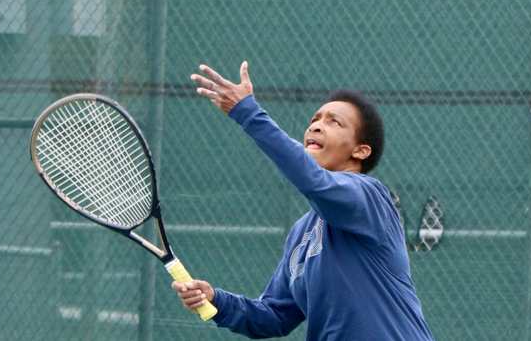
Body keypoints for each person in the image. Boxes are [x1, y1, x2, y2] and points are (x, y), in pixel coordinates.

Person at [172, 61, 435, 341]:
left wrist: (247, 112)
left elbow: (313, 180)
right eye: (315, 120)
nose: (317, 127)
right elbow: (274, 316)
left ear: (360, 150)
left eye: (334, 122)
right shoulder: (302, 233)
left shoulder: (370, 197)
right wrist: (217, 300)